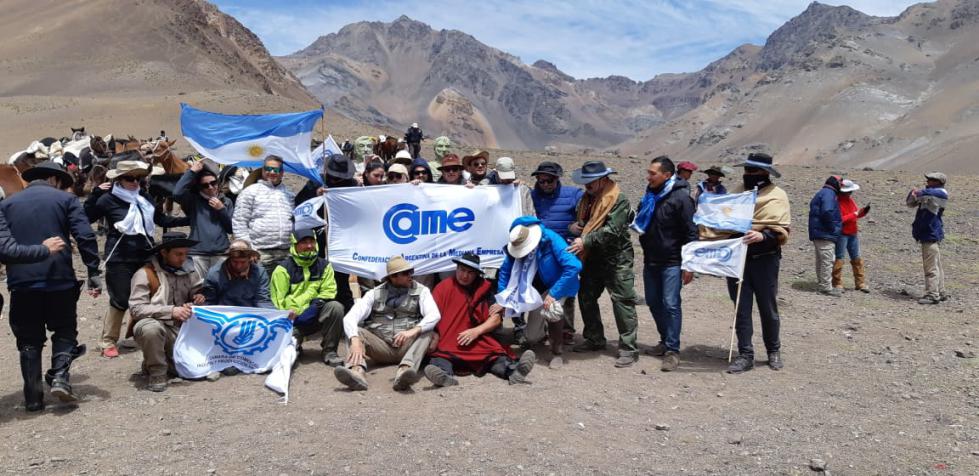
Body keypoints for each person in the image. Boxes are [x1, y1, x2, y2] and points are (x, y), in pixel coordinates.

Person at [3, 161, 100, 411]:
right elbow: (85, 236)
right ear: (55, 180)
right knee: (65, 330)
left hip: (21, 283)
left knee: (28, 340)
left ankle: (33, 397)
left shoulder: (6, 204)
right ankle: (59, 377)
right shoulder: (66, 201)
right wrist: (93, 271)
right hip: (59, 279)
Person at [85, 160, 188, 358]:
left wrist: (189, 219)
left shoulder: (145, 197)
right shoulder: (107, 199)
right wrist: (94, 195)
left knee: (145, 297)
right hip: (119, 257)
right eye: (130, 178)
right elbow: (87, 217)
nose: (135, 182)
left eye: (139, 178)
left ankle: (136, 334)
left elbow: (161, 220)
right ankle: (107, 340)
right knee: (121, 298)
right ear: (118, 179)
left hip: (145, 254)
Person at [701, 153, 791, 373]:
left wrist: (763, 236)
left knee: (767, 307)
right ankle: (745, 354)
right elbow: (722, 221)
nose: (748, 175)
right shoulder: (736, 193)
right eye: (747, 170)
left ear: (765, 173)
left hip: (765, 261)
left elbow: (781, 230)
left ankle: (773, 350)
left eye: (753, 171)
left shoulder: (777, 196)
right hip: (737, 259)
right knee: (741, 307)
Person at [566, 161, 640, 367]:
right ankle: (594, 338)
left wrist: (585, 240)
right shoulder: (587, 199)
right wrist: (577, 228)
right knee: (586, 296)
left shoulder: (618, 200)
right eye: (585, 181)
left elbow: (612, 230)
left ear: (603, 179)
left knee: (622, 301)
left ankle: (628, 348)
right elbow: (587, 224)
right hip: (593, 258)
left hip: (616, 260)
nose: (586, 185)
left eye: (590, 181)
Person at [425, 254, 536, 387]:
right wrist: (434, 333)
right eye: (462, 270)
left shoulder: (485, 288)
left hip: (477, 339)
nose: (465, 276)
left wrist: (476, 331)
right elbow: (430, 315)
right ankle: (444, 376)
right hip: (448, 338)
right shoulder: (442, 287)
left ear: (477, 274)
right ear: (456, 269)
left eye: (470, 272)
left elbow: (495, 318)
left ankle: (513, 372)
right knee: (441, 357)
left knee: (494, 356)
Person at [334, 256, 440, 391]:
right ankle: (356, 372)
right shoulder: (373, 294)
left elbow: (434, 314)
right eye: (406, 273)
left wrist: (413, 331)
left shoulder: (422, 291)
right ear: (393, 277)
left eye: (410, 272)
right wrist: (354, 340)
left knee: (427, 332)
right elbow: (349, 318)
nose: (410, 276)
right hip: (381, 347)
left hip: (407, 346)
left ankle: (404, 371)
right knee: (355, 332)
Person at [632, 156, 697, 372]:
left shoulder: (681, 198)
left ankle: (672, 349)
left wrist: (689, 265)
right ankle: (664, 339)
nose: (648, 176)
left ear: (667, 175)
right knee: (653, 301)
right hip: (651, 260)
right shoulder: (650, 195)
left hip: (672, 261)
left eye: (653, 173)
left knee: (670, 304)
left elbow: (691, 232)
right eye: (648, 172)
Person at [497, 218, 581, 369]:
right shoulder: (514, 246)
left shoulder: (550, 239)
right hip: (534, 289)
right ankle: (542, 332)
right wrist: (502, 299)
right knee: (532, 337)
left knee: (553, 309)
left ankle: (557, 352)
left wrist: (554, 293)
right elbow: (505, 272)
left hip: (555, 285)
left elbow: (574, 266)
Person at [130, 232, 205, 392]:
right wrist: (171, 311)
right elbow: (136, 309)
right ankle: (157, 372)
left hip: (183, 328)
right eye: (178, 254)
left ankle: (163, 362)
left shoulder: (190, 270)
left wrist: (199, 297)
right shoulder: (145, 274)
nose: (183, 258)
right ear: (164, 253)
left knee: (191, 369)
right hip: (158, 325)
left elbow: (198, 290)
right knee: (150, 329)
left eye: (185, 254)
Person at [270, 228, 346, 366]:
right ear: (295, 245)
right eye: (304, 242)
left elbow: (329, 290)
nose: (309, 246)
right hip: (292, 320)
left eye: (311, 241)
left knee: (336, 307)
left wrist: (315, 307)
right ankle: (296, 345)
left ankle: (330, 351)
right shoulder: (282, 269)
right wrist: (292, 313)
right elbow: (277, 300)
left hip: (316, 315)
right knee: (286, 357)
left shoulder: (325, 266)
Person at [530, 161, 583, 343]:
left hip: (564, 251)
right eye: (541, 180)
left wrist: (579, 232)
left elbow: (589, 213)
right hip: (539, 251)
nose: (545, 184)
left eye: (549, 181)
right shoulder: (531, 196)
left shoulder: (573, 195)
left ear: (557, 179)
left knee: (565, 292)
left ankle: (566, 331)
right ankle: (539, 330)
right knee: (538, 288)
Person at [232, 155, 296, 275]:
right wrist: (249, 250)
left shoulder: (289, 195)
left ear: (282, 173)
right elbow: (239, 222)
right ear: (262, 170)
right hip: (260, 253)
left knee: (283, 291)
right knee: (261, 291)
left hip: (286, 253)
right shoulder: (249, 192)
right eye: (268, 169)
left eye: (276, 169)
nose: (271, 172)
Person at [173, 160, 234, 279]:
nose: (210, 187)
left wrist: (221, 210)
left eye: (213, 182)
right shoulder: (193, 200)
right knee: (198, 289)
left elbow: (231, 229)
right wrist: (191, 172)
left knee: (219, 288)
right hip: (197, 254)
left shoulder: (226, 201)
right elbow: (176, 193)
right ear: (199, 187)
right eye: (205, 185)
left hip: (220, 253)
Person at [907, 172, 949, 304]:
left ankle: (932, 294)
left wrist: (918, 192)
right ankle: (940, 292)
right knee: (936, 265)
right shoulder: (930, 193)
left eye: (930, 180)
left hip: (930, 233)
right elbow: (910, 203)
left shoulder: (940, 193)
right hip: (928, 233)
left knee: (930, 267)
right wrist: (914, 194)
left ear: (938, 182)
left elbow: (921, 194)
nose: (927, 181)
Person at [202, 239, 273, 308]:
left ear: (249, 259)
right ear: (229, 259)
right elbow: (209, 302)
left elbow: (262, 300)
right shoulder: (215, 273)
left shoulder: (259, 272)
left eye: (243, 262)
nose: (239, 266)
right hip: (224, 313)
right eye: (235, 262)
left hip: (250, 313)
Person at [833, 179, 870, 293]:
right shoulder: (837, 202)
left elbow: (855, 215)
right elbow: (840, 219)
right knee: (839, 258)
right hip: (842, 234)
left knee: (857, 258)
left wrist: (863, 211)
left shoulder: (850, 201)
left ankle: (860, 283)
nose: (851, 193)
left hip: (852, 233)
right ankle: (837, 283)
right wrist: (855, 214)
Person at [809, 176, 843, 296]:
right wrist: (832, 228)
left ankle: (822, 283)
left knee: (821, 259)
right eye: (840, 184)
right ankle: (826, 287)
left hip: (818, 232)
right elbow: (827, 211)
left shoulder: (822, 193)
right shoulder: (829, 194)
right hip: (824, 233)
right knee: (827, 260)